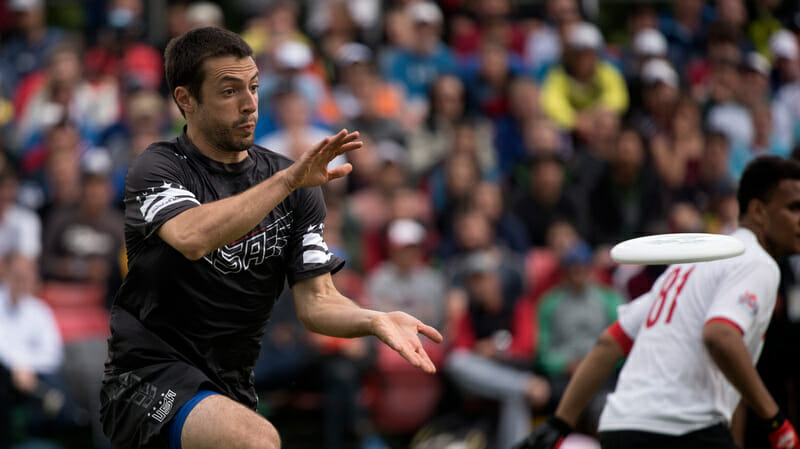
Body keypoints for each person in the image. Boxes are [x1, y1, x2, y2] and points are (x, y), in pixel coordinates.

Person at [99, 27, 443, 449]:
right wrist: (287, 182)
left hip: (231, 387)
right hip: (147, 383)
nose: (249, 105)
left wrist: (373, 319)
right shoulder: (157, 168)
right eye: (229, 91)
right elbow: (191, 236)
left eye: (254, 87)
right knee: (257, 441)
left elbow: (317, 303)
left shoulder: (292, 182)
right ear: (186, 99)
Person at [513, 155, 800, 449]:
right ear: (758, 211)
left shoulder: (690, 264)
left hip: (621, 425)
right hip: (681, 427)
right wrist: (775, 420)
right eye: (794, 208)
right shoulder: (758, 263)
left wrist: (559, 422)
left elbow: (609, 344)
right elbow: (720, 336)